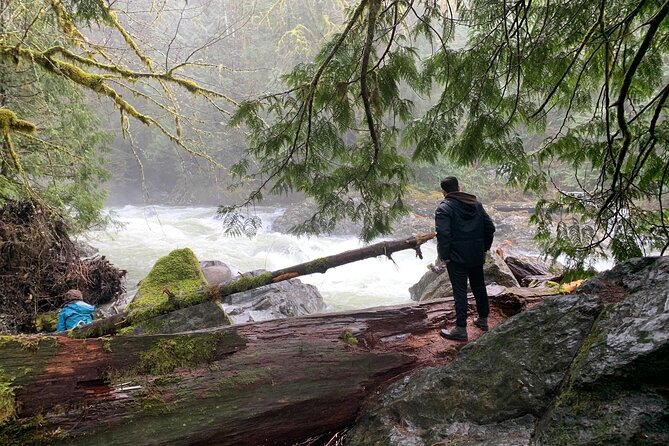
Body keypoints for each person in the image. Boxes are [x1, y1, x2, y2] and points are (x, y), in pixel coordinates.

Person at [435, 176, 495, 342]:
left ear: (444, 191)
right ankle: (483, 319)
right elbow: (490, 228)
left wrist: (445, 256)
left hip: (456, 257)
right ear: (459, 187)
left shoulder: (444, 208)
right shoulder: (476, 204)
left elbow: (444, 234)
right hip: (476, 254)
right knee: (479, 286)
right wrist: (484, 248)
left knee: (460, 291)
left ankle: (461, 329)